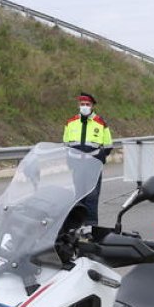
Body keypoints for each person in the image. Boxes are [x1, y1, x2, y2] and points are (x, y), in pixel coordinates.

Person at [61, 92, 113, 225]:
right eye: (82, 104)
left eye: (87, 104)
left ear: (92, 106)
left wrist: (99, 159)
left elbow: (108, 145)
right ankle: (76, 227)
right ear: (78, 105)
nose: (84, 106)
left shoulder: (100, 123)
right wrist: (70, 161)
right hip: (76, 166)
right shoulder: (71, 122)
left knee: (91, 197)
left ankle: (91, 228)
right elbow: (66, 144)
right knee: (77, 197)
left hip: (93, 166)